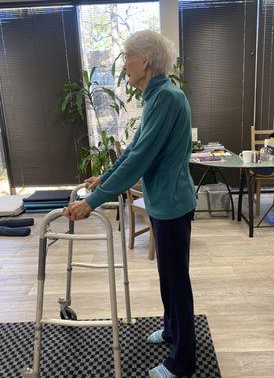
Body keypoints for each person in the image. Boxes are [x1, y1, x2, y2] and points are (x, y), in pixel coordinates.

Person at [63, 29, 197, 378]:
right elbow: (133, 151)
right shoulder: (155, 98)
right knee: (166, 274)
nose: (124, 63)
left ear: (145, 61)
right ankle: (171, 330)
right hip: (162, 201)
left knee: (176, 280)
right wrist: (103, 180)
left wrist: (93, 202)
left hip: (172, 202)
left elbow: (140, 159)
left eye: (127, 56)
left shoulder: (167, 98)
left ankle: (183, 361)